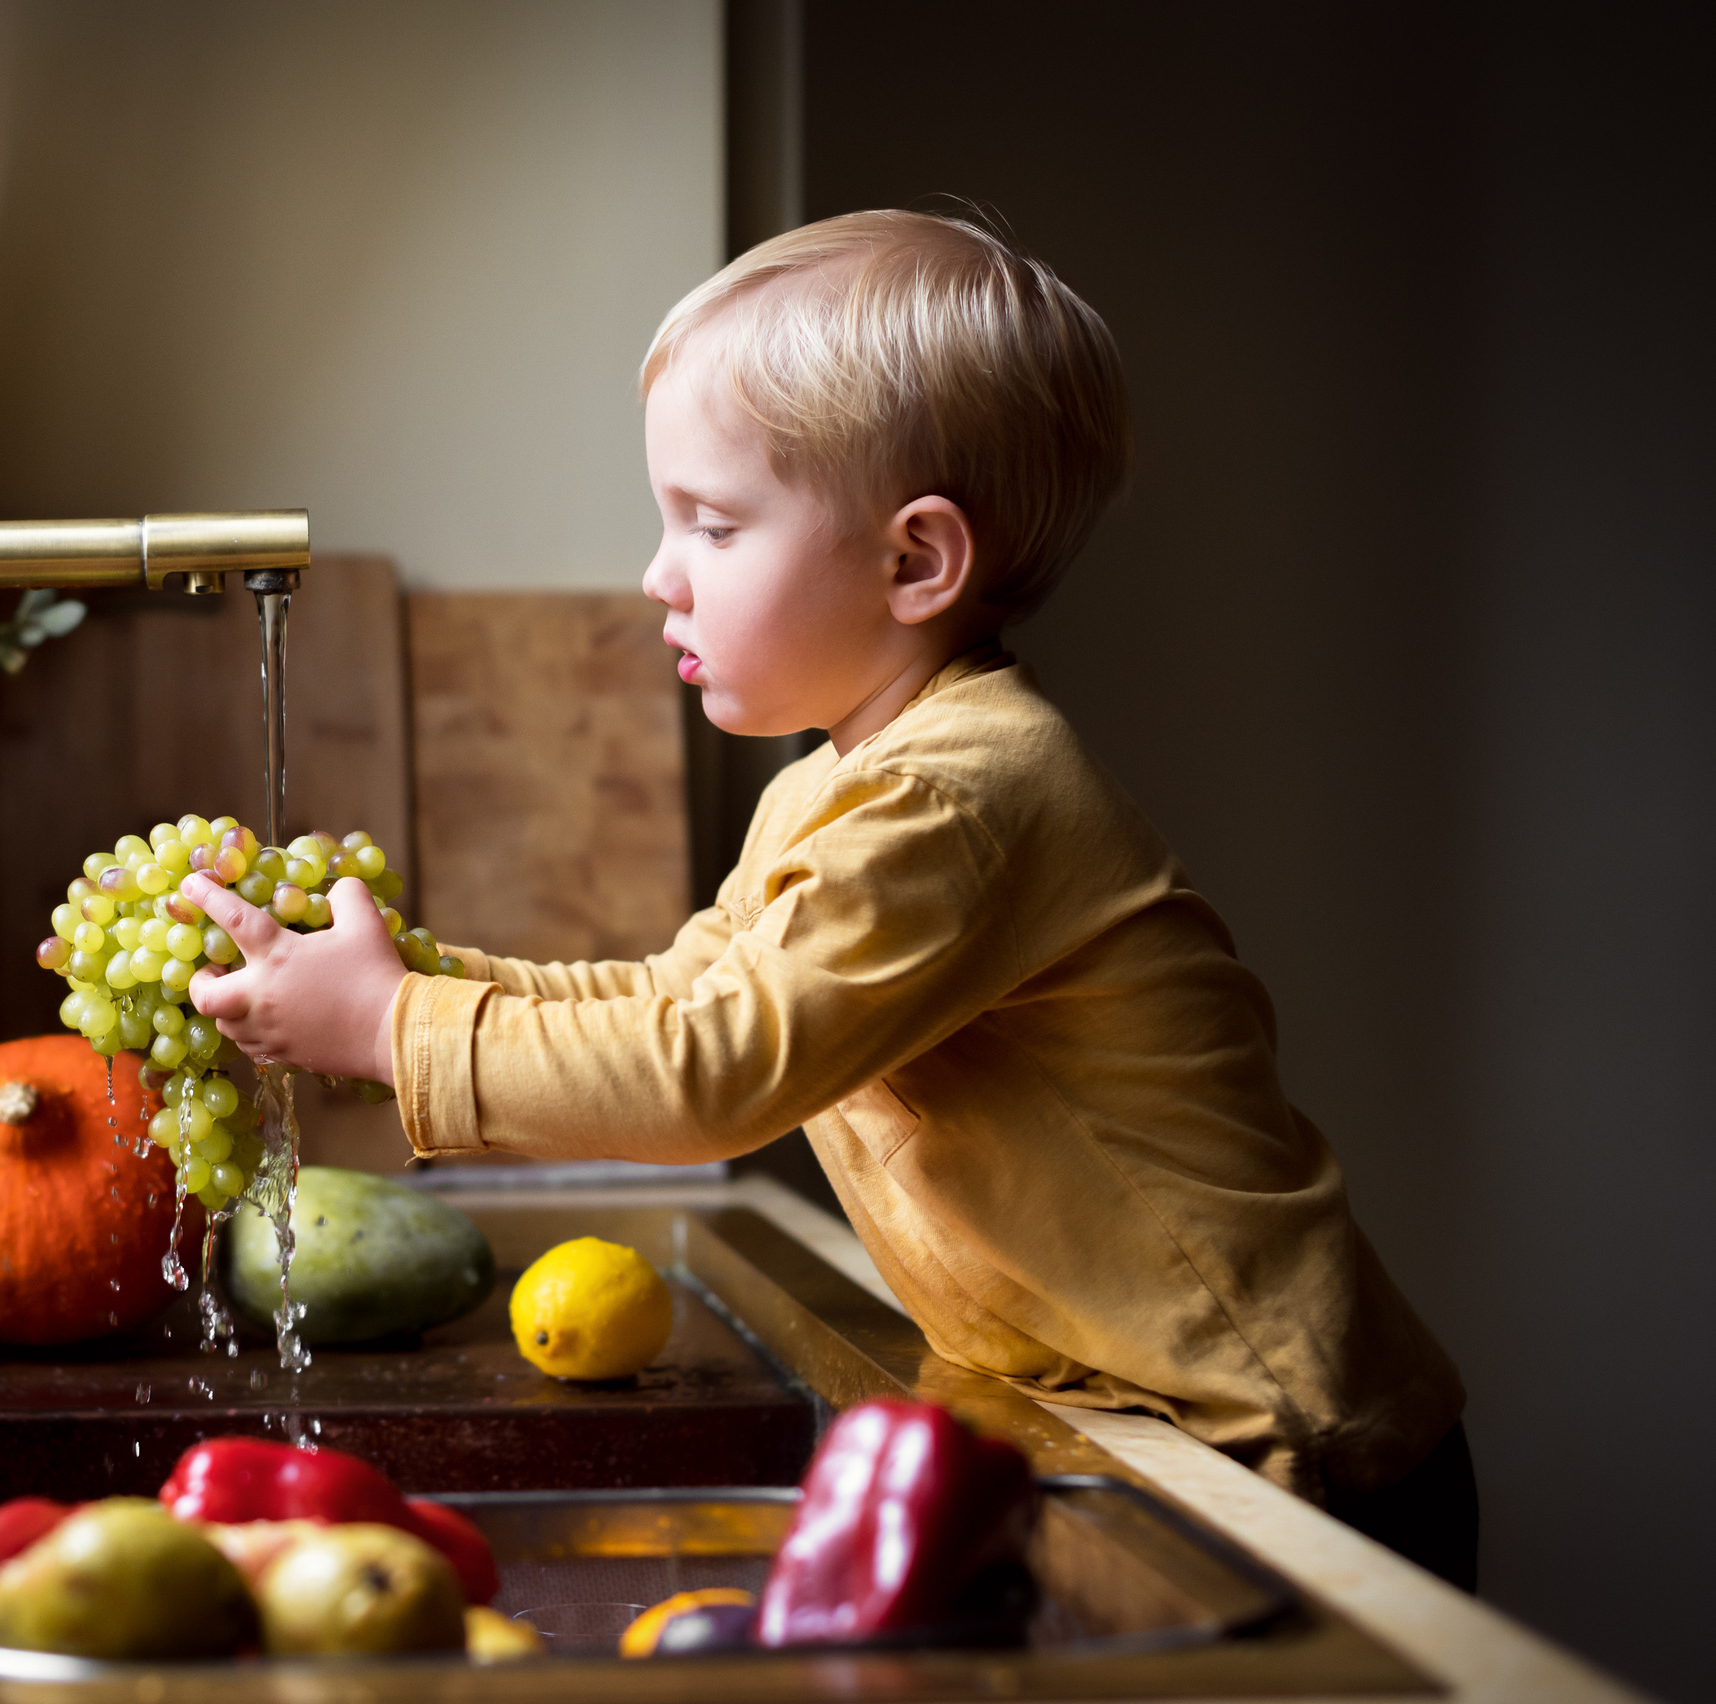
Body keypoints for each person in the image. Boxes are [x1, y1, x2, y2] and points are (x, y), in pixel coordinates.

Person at [183, 210, 1475, 1589]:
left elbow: (709, 1075)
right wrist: (411, 982)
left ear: (916, 563)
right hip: (1127, 1419)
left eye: (711, 524)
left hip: (1282, 1450)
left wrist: (393, 1030)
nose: (657, 572)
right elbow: (678, 999)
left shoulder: (953, 799)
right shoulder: (835, 787)